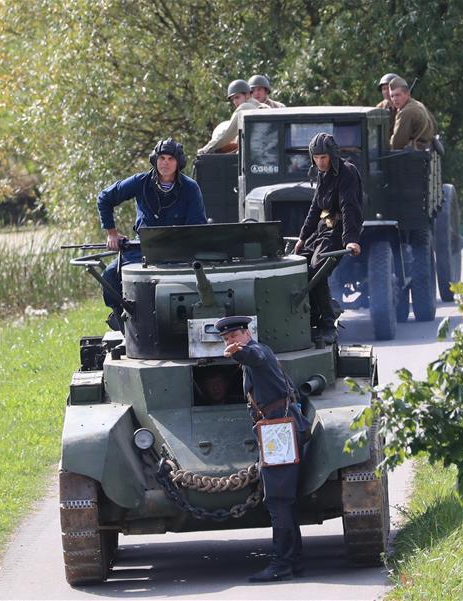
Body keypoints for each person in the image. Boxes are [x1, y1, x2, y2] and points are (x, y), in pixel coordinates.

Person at [216, 315, 309, 582]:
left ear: (246, 333)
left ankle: (281, 565)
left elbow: (254, 355)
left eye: (233, 336)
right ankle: (294, 561)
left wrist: (238, 351)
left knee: (278, 500)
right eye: (225, 339)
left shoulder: (256, 352)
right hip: (278, 427)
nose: (229, 341)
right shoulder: (259, 354)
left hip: (278, 430)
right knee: (285, 501)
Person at [97, 138, 207, 325]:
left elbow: (197, 226)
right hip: (144, 248)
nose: (165, 163)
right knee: (109, 275)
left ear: (178, 162)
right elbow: (105, 198)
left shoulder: (190, 188)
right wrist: (112, 233)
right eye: (162, 158)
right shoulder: (140, 182)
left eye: (170, 159)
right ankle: (121, 317)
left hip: (178, 250)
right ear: (154, 159)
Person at [292, 133, 363, 344]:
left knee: (317, 270)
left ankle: (327, 322)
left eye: (324, 157)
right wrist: (303, 237)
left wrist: (351, 239)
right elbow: (315, 208)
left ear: (332, 155)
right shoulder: (322, 174)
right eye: (316, 157)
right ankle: (312, 315)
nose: (320, 162)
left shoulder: (347, 172)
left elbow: (350, 207)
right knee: (297, 264)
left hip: (339, 231)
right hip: (323, 230)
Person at [197, 79, 268, 155]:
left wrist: (205, 149)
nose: (235, 102)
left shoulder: (244, 108)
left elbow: (227, 133)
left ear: (247, 95)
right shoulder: (264, 107)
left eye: (237, 97)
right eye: (233, 99)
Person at [388, 76, 437, 150]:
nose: (394, 99)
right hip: (426, 152)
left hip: (415, 156)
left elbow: (397, 144)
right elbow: (435, 125)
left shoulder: (405, 112)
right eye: (392, 96)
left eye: (398, 95)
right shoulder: (418, 105)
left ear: (407, 94)